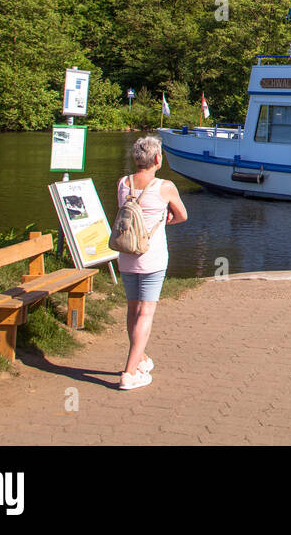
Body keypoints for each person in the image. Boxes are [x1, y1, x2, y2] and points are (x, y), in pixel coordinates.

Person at [116, 135, 187, 391]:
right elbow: (182, 215)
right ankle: (129, 373)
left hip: (126, 255)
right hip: (152, 257)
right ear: (157, 159)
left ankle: (141, 357)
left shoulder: (123, 183)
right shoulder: (165, 186)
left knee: (132, 309)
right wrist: (166, 214)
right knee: (146, 312)